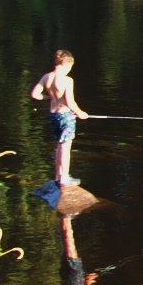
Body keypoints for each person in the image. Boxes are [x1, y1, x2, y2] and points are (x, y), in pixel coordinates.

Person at [30, 49, 89, 186]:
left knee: (59, 146)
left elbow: (34, 94)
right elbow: (70, 102)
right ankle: (64, 179)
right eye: (70, 67)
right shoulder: (67, 80)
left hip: (53, 115)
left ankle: (58, 176)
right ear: (67, 64)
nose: (70, 70)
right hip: (66, 116)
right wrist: (80, 113)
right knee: (66, 147)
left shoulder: (46, 77)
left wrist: (47, 96)